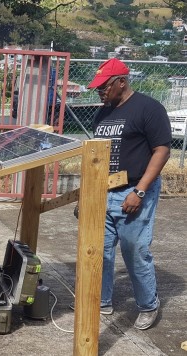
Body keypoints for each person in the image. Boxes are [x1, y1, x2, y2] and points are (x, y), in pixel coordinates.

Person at [88, 58, 171, 330]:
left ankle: (148, 304)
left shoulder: (148, 108)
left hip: (134, 192)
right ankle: (102, 301)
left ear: (121, 82)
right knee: (100, 251)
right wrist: (87, 195)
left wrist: (140, 190)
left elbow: (162, 150)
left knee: (134, 250)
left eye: (104, 86)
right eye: (98, 88)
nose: (100, 92)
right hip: (104, 190)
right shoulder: (103, 113)